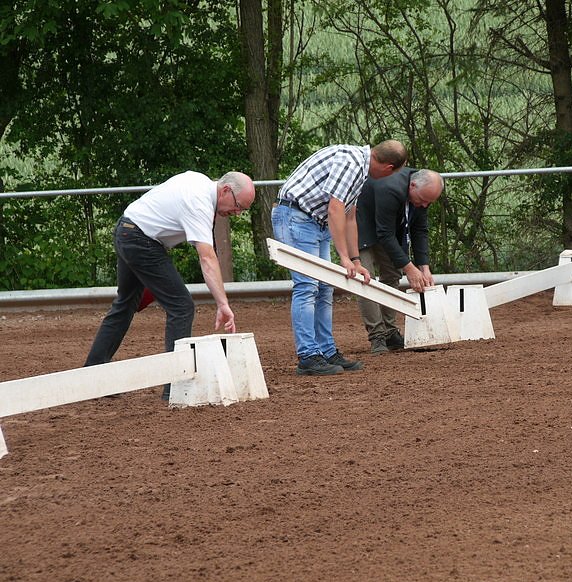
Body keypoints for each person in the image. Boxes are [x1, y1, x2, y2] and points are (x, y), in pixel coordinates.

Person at [85, 170, 256, 398]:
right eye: (238, 206)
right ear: (225, 190)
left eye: (242, 210)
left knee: (125, 305)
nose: (237, 213)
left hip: (127, 230)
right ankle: (175, 386)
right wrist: (223, 304)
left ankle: (93, 376)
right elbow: (207, 258)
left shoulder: (200, 184)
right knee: (181, 306)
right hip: (140, 239)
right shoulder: (199, 202)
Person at [272, 140, 408, 376]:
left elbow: (349, 217)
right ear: (388, 168)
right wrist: (343, 257)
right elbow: (335, 208)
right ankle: (308, 356)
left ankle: (325, 350)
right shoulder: (351, 162)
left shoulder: (359, 169)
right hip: (297, 217)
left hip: (315, 222)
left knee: (325, 287)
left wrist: (355, 260)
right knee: (307, 286)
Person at [356, 168, 444, 354]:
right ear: (412, 186)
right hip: (361, 226)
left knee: (392, 274)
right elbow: (385, 233)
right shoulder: (391, 188)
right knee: (364, 277)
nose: (424, 205)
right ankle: (377, 336)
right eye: (422, 200)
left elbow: (420, 230)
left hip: (386, 229)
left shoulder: (422, 196)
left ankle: (390, 332)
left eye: (429, 202)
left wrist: (424, 267)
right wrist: (410, 268)